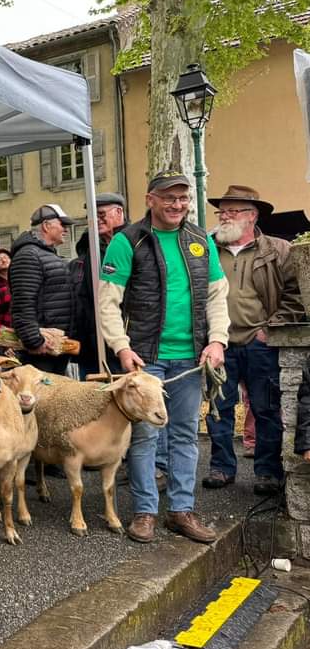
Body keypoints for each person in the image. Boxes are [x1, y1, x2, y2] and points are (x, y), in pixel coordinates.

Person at [98, 170, 229, 545]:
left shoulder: (201, 240)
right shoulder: (128, 241)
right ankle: (144, 512)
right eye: (169, 197)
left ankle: (181, 511)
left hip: (191, 356)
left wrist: (217, 341)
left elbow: (217, 296)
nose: (177, 205)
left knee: (186, 435)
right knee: (145, 436)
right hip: (145, 358)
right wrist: (121, 348)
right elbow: (109, 302)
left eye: (183, 198)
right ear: (150, 199)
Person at [203, 185, 301, 496]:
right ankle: (221, 468)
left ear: (252, 215)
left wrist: (269, 328)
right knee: (219, 409)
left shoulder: (277, 249)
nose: (225, 216)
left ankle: (268, 472)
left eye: (233, 210)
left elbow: (295, 295)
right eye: (223, 210)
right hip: (220, 343)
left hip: (260, 342)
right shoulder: (206, 249)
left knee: (266, 409)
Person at [8, 204, 75, 373]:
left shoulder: (44, 254)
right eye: (62, 224)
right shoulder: (29, 255)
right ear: (46, 225)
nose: (66, 229)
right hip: (41, 350)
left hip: (53, 347)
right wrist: (34, 341)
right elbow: (23, 302)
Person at [73, 193, 127, 379]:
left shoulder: (132, 242)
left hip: (124, 337)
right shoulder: (91, 248)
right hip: (93, 339)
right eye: (93, 216)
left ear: (119, 212)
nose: (97, 220)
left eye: (102, 214)